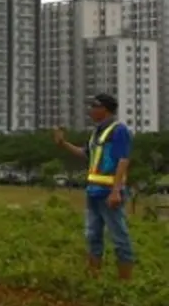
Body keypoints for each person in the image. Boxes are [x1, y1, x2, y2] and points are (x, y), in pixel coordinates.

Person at [53, 93, 135, 281]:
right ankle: (93, 279)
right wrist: (63, 144)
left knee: (119, 237)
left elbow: (123, 160)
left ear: (104, 109)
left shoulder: (119, 130)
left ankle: (126, 283)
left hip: (109, 193)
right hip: (94, 191)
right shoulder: (97, 132)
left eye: (94, 106)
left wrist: (116, 191)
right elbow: (86, 154)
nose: (90, 110)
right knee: (92, 235)